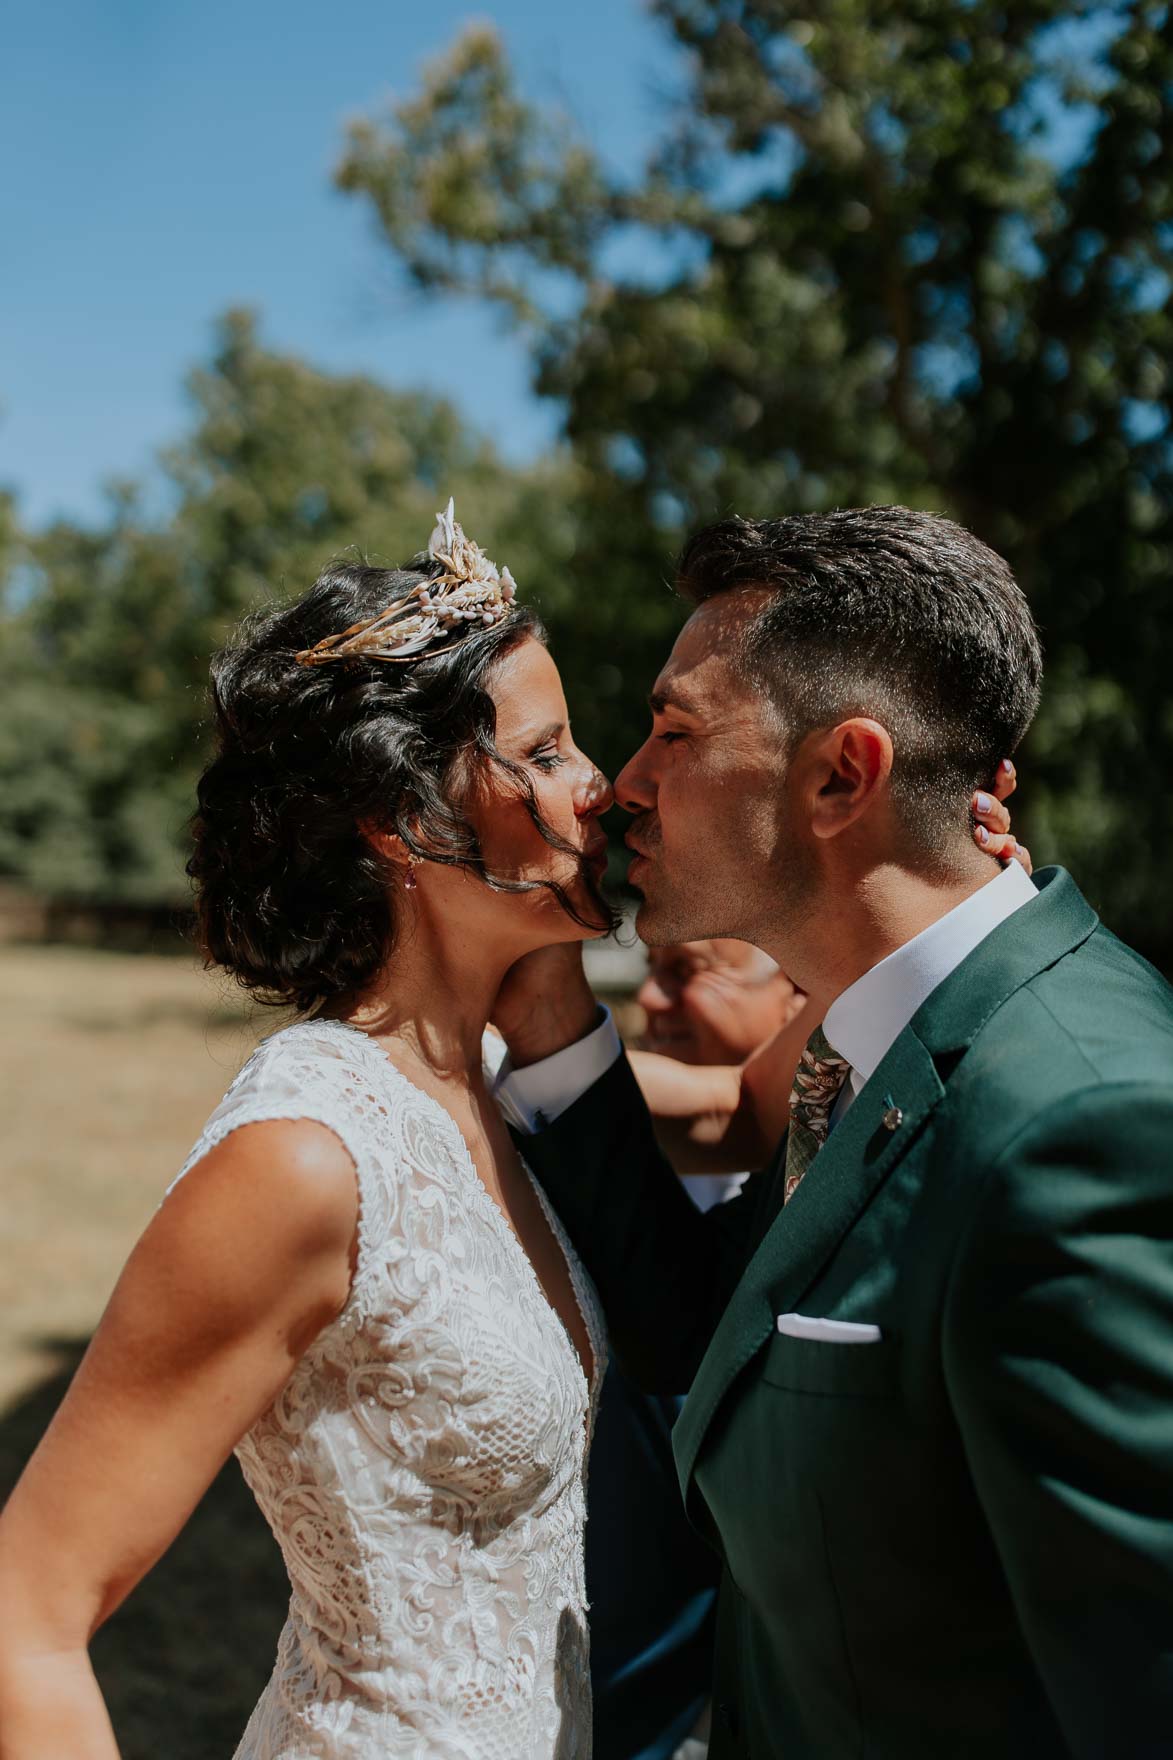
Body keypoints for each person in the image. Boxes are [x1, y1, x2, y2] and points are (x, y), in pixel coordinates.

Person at [490, 507, 1173, 1760]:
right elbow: (714, 1328)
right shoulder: (862, 1048)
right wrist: (543, 1003)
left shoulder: (1086, 1123)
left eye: (675, 731)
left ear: (841, 776)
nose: (624, 782)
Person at [0, 502, 620, 1759]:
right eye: (547, 751)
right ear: (405, 821)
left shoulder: (482, 1089)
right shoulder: (303, 1156)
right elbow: (27, 1612)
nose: (597, 782)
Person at [585, 941, 802, 1760]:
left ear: (796, 994)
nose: (648, 996)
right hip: (607, 1693)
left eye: (689, 972)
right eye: (651, 968)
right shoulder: (593, 1145)